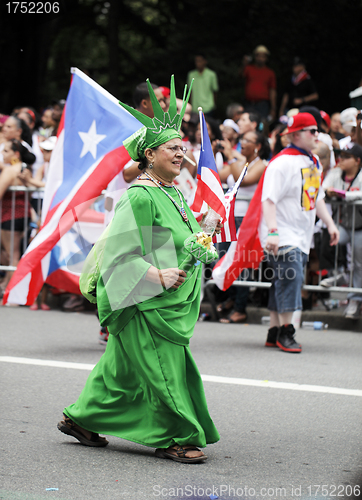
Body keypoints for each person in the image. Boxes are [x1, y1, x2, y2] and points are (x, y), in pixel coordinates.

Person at [57, 76, 220, 463]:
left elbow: (178, 237)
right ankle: (176, 435)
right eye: (172, 149)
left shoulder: (173, 191)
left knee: (121, 370)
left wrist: (205, 227)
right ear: (150, 155)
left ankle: (80, 418)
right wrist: (157, 276)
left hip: (168, 298)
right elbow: (120, 254)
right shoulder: (139, 194)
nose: (181, 154)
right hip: (147, 300)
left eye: (183, 147)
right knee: (164, 368)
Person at [261, 112, 339, 353]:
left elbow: (316, 197)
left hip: (301, 234)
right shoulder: (281, 162)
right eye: (311, 131)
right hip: (283, 234)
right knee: (290, 280)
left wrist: (330, 223)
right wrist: (273, 231)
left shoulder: (313, 161)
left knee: (281, 282)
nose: (317, 135)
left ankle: (274, 331)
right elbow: (268, 200)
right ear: (295, 134)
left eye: (317, 131)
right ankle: (287, 331)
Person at [218, 131, 270, 323]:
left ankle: (240, 308)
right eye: (243, 140)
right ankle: (232, 298)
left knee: (242, 264)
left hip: (247, 220)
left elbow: (244, 180)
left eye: (248, 140)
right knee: (223, 257)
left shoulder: (260, 166)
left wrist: (232, 157)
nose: (243, 143)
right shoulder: (239, 163)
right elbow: (220, 175)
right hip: (230, 217)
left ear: (258, 146)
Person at [321, 144, 362, 318]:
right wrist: (329, 193)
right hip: (343, 224)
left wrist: (347, 195)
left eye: (346, 157)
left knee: (359, 264)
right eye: (341, 156)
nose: (341, 160)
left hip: (360, 226)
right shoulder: (336, 172)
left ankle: (354, 300)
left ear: (357, 161)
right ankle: (339, 274)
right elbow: (322, 189)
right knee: (327, 240)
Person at [0, 139, 36, 297]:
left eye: (6, 151)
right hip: (22, 215)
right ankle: (8, 287)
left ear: (15, 154)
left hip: (11, 216)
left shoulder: (10, 170)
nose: (2, 153)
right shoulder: (25, 169)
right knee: (12, 254)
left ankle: (11, 293)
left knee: (12, 255)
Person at [240, 45, 277, 121]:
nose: (260, 59)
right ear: (255, 57)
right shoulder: (248, 68)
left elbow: (272, 91)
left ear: (266, 58)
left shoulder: (270, 72)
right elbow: (240, 76)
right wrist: (244, 64)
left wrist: (273, 108)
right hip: (249, 103)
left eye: (263, 56)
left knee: (262, 124)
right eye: (258, 56)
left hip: (262, 105)